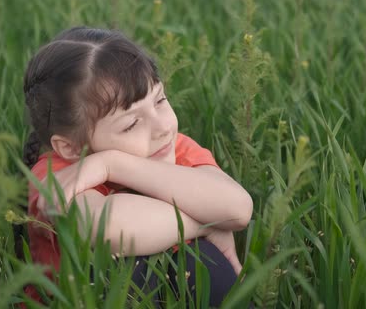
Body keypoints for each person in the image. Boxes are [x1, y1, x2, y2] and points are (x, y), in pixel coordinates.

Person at [20, 26, 253, 307]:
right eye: (131, 124)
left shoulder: (171, 147)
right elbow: (111, 229)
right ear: (70, 147)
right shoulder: (57, 175)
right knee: (135, 265)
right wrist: (208, 225)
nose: (162, 127)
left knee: (204, 260)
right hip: (88, 299)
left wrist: (111, 163)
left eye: (160, 100)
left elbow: (237, 208)